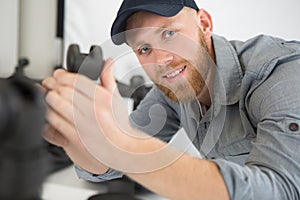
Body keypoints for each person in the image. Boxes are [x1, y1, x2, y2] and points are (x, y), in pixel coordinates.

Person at [42, 0, 300, 199]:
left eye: (169, 34)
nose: (160, 60)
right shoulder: (174, 90)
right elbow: (109, 164)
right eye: (144, 49)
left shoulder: (280, 74)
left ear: (205, 24)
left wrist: (124, 145)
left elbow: (281, 191)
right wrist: (77, 137)